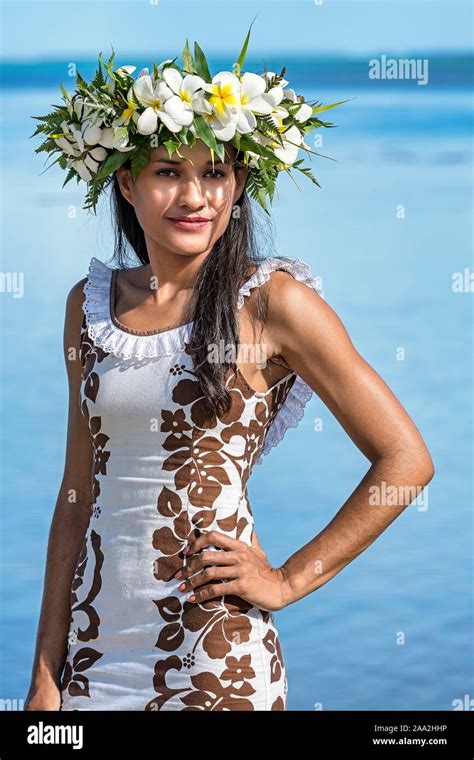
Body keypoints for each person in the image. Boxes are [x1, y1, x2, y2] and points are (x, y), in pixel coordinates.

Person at [25, 38, 434, 712]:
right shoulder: (89, 306)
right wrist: (46, 669)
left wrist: (287, 580)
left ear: (239, 185)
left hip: (215, 657)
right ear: (126, 183)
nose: (194, 197)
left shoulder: (274, 303)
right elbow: (77, 493)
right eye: (167, 173)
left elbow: (406, 461)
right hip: (94, 652)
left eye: (216, 174)